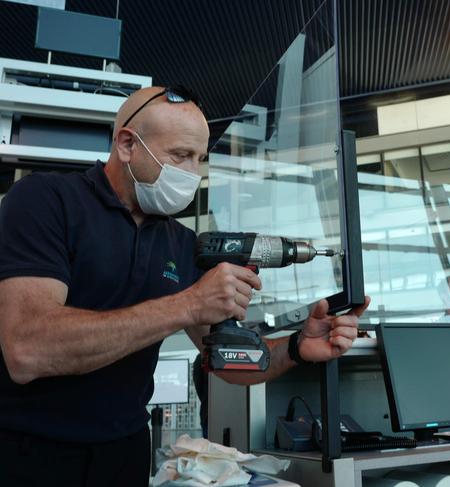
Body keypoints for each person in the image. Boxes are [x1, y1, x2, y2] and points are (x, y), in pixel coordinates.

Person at [0, 86, 370, 486]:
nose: (192, 173)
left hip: (123, 455)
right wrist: (188, 304)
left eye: (199, 159)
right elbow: (28, 350)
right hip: (28, 453)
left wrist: (298, 348)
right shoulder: (46, 200)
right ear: (127, 144)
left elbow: (229, 362)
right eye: (180, 156)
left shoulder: (180, 242)